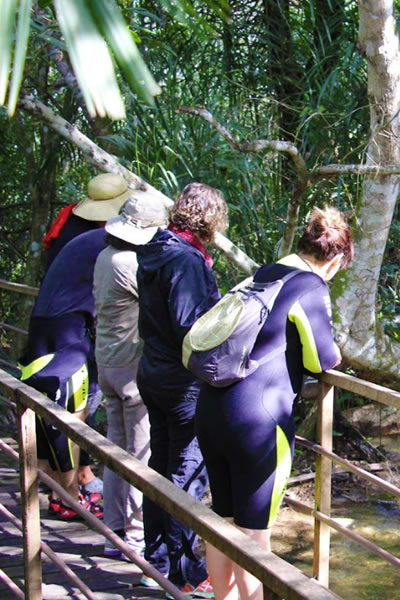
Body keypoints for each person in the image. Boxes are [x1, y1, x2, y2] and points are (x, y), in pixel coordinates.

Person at [196, 205, 353, 600]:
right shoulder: (311, 285)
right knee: (254, 534)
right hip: (259, 422)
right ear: (334, 261)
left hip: (214, 408)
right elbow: (322, 360)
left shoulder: (263, 274)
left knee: (223, 521)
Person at [136, 183, 228, 597]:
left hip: (154, 373)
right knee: (185, 475)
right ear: (210, 220)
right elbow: (190, 326)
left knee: (161, 466)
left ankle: (155, 560)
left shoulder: (157, 248)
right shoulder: (186, 259)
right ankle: (186, 575)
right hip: (180, 382)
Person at [38, 172, 133, 502]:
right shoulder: (106, 238)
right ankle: (67, 495)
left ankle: (61, 477)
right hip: (72, 328)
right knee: (75, 408)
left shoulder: (67, 223)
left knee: (50, 402)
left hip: (47, 320)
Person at [93, 191, 169, 558]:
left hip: (107, 362)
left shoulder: (106, 256)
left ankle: (113, 531)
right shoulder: (130, 264)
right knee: (140, 452)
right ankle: (137, 535)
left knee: (115, 450)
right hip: (129, 370)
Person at [18, 226, 109, 519]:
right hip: (67, 332)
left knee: (48, 411)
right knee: (70, 416)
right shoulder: (109, 246)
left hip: (45, 326)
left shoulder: (81, 239)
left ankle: (54, 490)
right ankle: (68, 497)